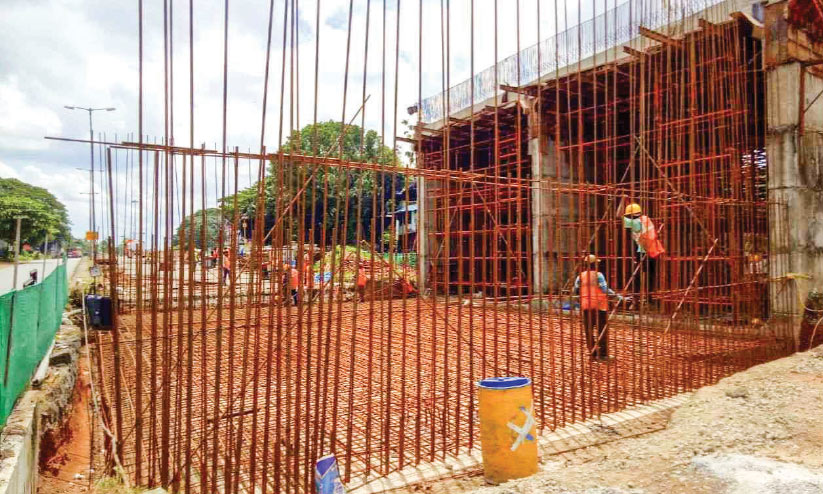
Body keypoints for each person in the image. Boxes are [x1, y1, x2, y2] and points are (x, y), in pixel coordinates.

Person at [573, 254, 624, 362]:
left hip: (586, 306)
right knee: (602, 331)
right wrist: (617, 296)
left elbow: (576, 291)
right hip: (599, 306)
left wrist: (581, 301)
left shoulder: (580, 276)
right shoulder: (598, 275)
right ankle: (603, 354)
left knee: (589, 331)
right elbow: (605, 289)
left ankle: (593, 353)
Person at [622, 202, 664, 299]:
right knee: (649, 275)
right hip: (651, 250)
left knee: (639, 274)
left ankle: (638, 296)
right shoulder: (644, 220)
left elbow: (624, 221)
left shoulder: (637, 222)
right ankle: (648, 296)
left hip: (645, 250)